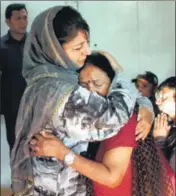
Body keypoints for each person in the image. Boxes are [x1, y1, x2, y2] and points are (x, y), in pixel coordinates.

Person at [11, 6, 153, 196]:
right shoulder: (57, 91)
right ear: (54, 50)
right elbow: (113, 116)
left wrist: (145, 104)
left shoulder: (48, 79)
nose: (86, 51)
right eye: (78, 47)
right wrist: (119, 73)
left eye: (87, 43)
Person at [30, 52, 174, 196]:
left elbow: (112, 177)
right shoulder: (81, 116)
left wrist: (61, 152)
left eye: (97, 84)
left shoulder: (122, 119)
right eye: (83, 85)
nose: (89, 91)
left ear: (112, 86)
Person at [0, 3, 28, 152]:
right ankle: (18, 175)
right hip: (12, 105)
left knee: (36, 143)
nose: (23, 22)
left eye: (25, 18)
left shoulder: (35, 44)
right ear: (8, 21)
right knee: (15, 144)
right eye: (18, 18)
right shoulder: (1, 46)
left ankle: (35, 175)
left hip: (35, 103)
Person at [153, 76, 176, 172]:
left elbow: (169, 173)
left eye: (164, 97)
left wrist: (160, 139)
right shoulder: (169, 124)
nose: (157, 102)